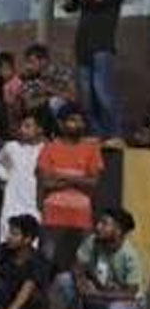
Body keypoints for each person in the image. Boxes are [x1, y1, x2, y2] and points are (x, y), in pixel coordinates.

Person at [63, 0, 128, 143]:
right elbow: (68, 6)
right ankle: (97, 133)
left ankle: (115, 133)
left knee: (103, 91)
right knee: (88, 96)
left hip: (102, 44)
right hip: (83, 45)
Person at [48, 208, 143, 309]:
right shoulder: (93, 241)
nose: (98, 227)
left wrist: (96, 294)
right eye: (99, 222)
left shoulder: (130, 255)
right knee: (64, 279)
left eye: (104, 224)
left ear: (118, 230)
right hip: (98, 295)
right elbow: (77, 265)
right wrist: (80, 281)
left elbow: (131, 293)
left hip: (121, 301)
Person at [36, 103, 102, 271]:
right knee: (47, 260)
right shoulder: (49, 148)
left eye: (81, 121)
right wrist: (79, 179)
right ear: (61, 124)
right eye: (73, 120)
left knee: (83, 262)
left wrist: (62, 178)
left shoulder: (91, 149)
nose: (78, 125)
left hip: (82, 215)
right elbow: (45, 183)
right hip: (53, 214)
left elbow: (94, 183)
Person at [0, 112, 44, 238]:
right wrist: (5, 180)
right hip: (12, 202)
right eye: (21, 126)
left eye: (27, 126)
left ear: (39, 129)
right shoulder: (11, 147)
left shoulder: (44, 149)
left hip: (33, 203)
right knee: (7, 237)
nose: (22, 130)